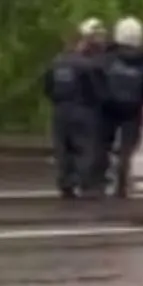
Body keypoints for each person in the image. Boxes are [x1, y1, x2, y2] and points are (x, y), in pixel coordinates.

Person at [97, 16, 143, 198]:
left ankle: (99, 182)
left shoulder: (107, 58)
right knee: (128, 148)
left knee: (102, 145)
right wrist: (141, 100)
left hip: (108, 107)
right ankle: (122, 186)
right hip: (133, 107)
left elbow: (98, 79)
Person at [43, 30, 105, 198]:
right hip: (82, 109)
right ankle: (84, 183)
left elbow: (47, 87)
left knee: (63, 148)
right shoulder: (86, 65)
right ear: (80, 44)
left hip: (60, 109)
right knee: (84, 147)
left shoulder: (55, 64)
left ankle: (65, 183)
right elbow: (95, 89)